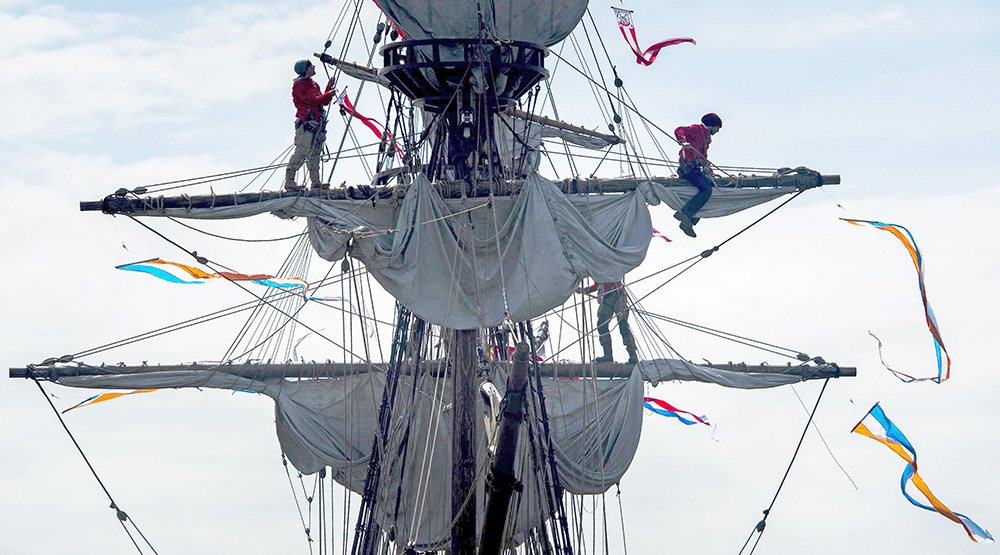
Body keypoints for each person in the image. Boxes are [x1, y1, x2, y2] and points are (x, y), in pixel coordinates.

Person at [284, 59, 337, 191]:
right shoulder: (299, 85)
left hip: (317, 124)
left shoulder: (313, 84)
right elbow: (313, 100)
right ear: (305, 69)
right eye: (310, 66)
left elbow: (322, 101)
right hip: (307, 124)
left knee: (315, 153)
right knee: (302, 151)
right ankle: (289, 181)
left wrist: (328, 88)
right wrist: (328, 93)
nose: (313, 67)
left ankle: (316, 182)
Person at [673, 112, 722, 237]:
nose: (718, 131)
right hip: (687, 169)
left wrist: (710, 171)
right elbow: (679, 130)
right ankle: (685, 216)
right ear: (712, 125)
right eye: (718, 128)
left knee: (708, 187)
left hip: (695, 169)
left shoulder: (706, 138)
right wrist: (683, 142)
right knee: (706, 189)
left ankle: (688, 221)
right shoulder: (696, 130)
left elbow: (703, 157)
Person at [579, 281, 638, 364]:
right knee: (602, 325)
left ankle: (632, 355)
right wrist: (585, 290)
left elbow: (612, 273)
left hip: (618, 294)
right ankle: (607, 355)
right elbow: (597, 284)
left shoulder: (606, 269)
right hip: (607, 297)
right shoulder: (598, 271)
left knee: (623, 324)